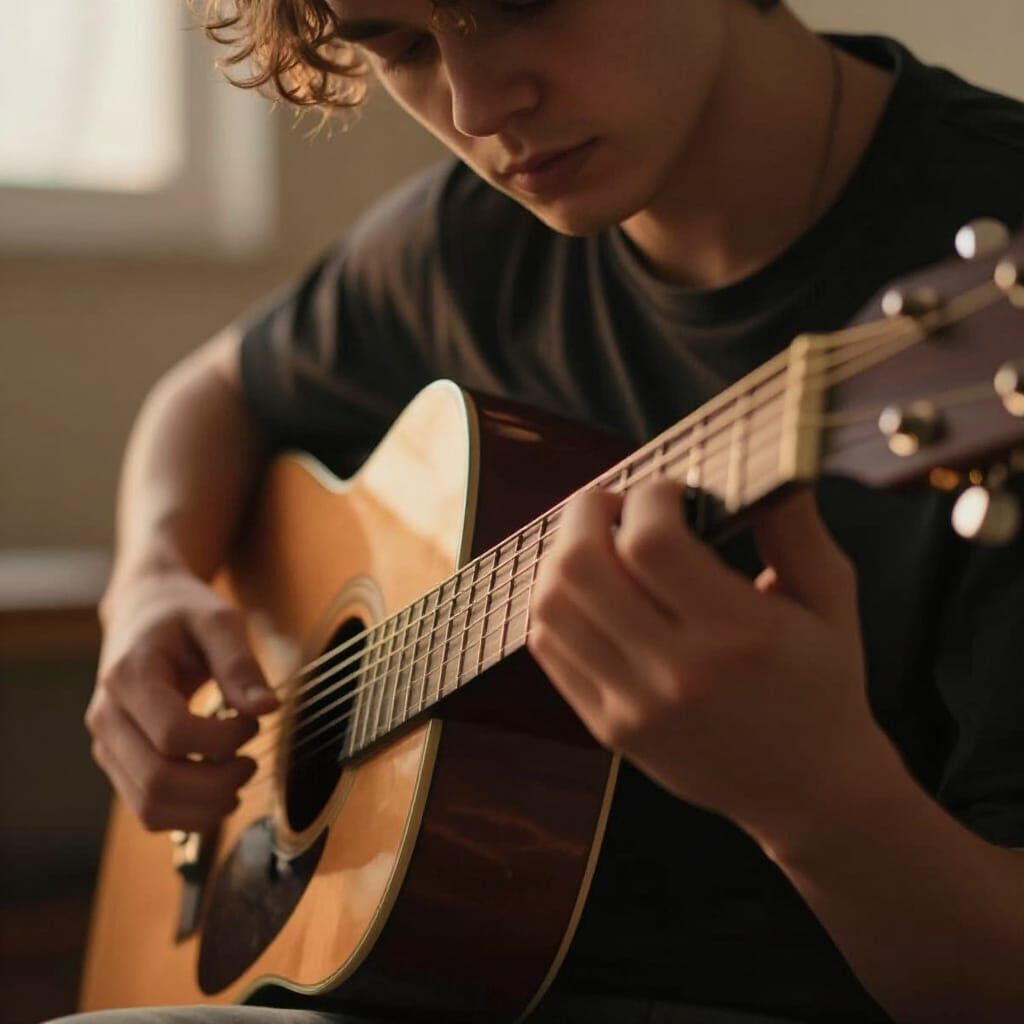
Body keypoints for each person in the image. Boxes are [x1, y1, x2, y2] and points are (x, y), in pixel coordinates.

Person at [76, 1, 1024, 1022]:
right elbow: (214, 392)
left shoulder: (982, 298)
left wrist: (817, 802)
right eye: (397, 44)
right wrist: (146, 583)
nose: (478, 109)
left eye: (522, 4)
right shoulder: (465, 245)